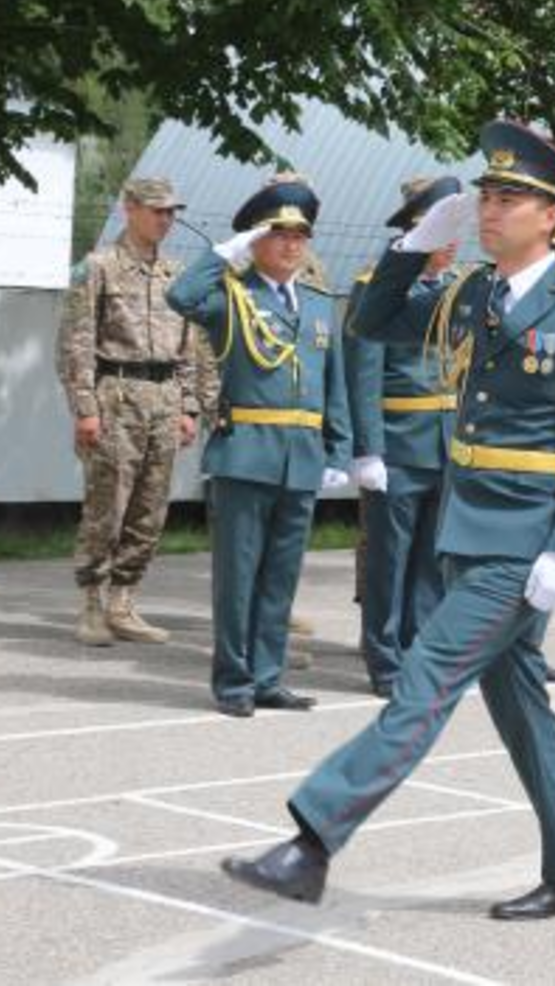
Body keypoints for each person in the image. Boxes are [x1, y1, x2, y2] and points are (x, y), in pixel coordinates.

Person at [220, 120, 555, 918]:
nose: (489, 208)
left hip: (522, 543)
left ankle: (313, 840)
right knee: (521, 708)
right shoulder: (475, 291)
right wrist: (416, 246)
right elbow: (370, 321)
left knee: (425, 681)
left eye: (509, 197)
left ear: (552, 217)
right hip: (465, 529)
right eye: (484, 194)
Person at [166, 174, 350, 716]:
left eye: (301, 235)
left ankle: (268, 676)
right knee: (238, 577)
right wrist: (227, 253)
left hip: (301, 456)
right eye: (279, 234)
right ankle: (234, 682)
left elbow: (332, 382)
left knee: (280, 576)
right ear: (256, 239)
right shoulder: (230, 296)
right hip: (246, 452)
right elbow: (180, 296)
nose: (293, 244)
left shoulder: (316, 303)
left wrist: (338, 450)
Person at [55, 177, 210, 646]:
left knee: (149, 509)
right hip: (116, 395)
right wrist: (85, 408)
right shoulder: (98, 267)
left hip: (163, 399)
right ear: (130, 208)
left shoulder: (176, 274)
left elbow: (190, 348)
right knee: (107, 506)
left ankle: (125, 602)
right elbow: (75, 344)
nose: (166, 219)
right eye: (157, 210)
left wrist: (188, 406)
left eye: (171, 211)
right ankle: (91, 605)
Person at [344, 175, 463, 697]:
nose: (453, 242)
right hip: (397, 443)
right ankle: (386, 662)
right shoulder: (378, 288)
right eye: (443, 230)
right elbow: (364, 373)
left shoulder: (459, 288)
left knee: (431, 563)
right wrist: (368, 449)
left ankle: (420, 655)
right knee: (387, 562)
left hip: (446, 444)